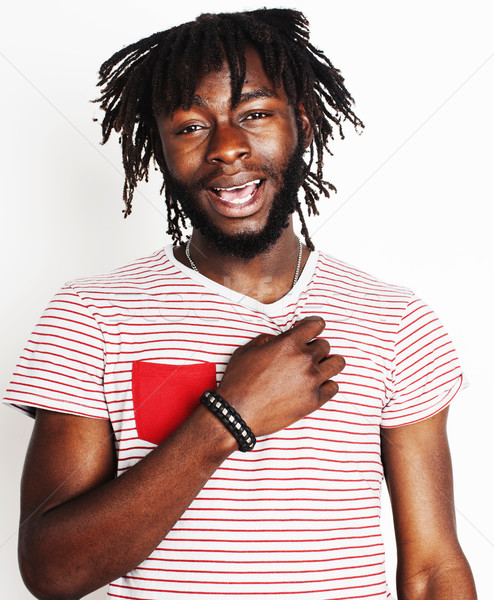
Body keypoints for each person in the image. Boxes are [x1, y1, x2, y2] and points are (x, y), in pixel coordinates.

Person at [3, 8, 476, 600]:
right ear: (161, 148)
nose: (228, 147)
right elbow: (51, 572)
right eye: (191, 126)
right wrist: (227, 418)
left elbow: (432, 568)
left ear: (300, 123)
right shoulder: (91, 316)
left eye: (254, 114)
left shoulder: (396, 320)